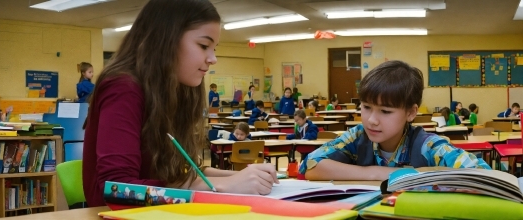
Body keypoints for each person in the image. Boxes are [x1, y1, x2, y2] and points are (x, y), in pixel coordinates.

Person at [82, 0, 278, 207]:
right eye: (204, 46)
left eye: (214, 48)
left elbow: (177, 172)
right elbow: (118, 190)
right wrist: (223, 185)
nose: (213, 59)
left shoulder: (172, 90)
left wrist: (239, 177)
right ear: (165, 40)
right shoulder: (123, 87)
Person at [298, 60, 490, 181]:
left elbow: (484, 175)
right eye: (366, 107)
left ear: (411, 113)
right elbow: (310, 164)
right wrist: (375, 173)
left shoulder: (426, 145)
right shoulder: (357, 136)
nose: (372, 120)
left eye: (385, 111)